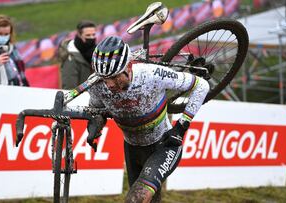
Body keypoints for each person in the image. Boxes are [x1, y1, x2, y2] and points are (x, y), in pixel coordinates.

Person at [86, 36, 210, 203]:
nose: (110, 85)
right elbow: (96, 110)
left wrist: (180, 128)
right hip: (132, 147)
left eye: (115, 77)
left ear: (128, 66)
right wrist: (95, 126)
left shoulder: (152, 74)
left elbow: (202, 85)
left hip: (163, 146)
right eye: (104, 79)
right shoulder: (96, 84)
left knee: (136, 199)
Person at [57, 20, 97, 89]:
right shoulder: (71, 59)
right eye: (88, 35)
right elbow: (69, 89)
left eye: (93, 35)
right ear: (79, 35)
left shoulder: (94, 52)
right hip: (81, 98)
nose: (91, 38)